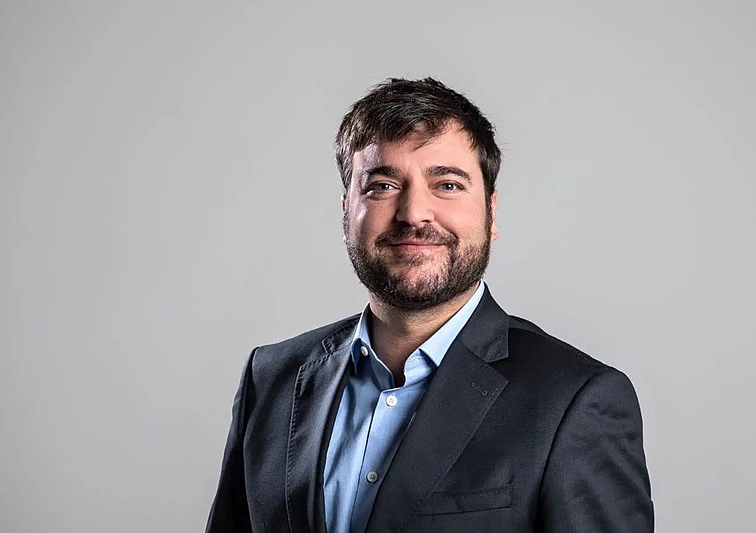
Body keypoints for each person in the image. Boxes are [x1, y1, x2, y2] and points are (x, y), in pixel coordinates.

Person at [206, 78, 653, 532]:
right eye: (382, 185)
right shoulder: (272, 377)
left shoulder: (574, 400)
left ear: (491, 213)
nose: (414, 212)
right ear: (346, 213)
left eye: (447, 184)